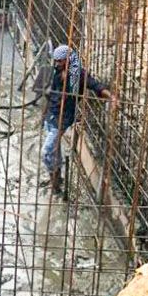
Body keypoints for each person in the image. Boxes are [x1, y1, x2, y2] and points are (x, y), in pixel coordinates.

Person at [42, 44, 114, 194]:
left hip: (62, 118)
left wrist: (111, 97)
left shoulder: (78, 75)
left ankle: (55, 179)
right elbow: (50, 95)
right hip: (51, 115)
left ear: (67, 60)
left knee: (47, 152)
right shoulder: (57, 71)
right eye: (55, 61)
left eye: (59, 61)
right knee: (54, 151)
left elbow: (95, 85)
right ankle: (56, 182)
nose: (56, 64)